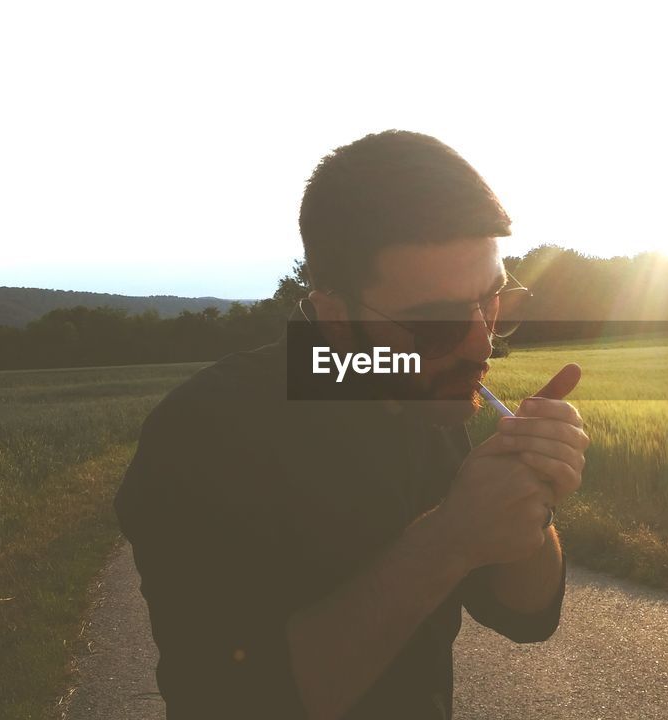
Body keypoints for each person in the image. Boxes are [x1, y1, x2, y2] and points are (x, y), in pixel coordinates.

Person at [113, 129, 590, 719]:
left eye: (491, 300)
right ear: (335, 316)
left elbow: (525, 615)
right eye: (434, 324)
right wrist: (447, 540)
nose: (480, 346)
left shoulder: (425, 393)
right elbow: (229, 701)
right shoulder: (201, 434)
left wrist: (528, 490)